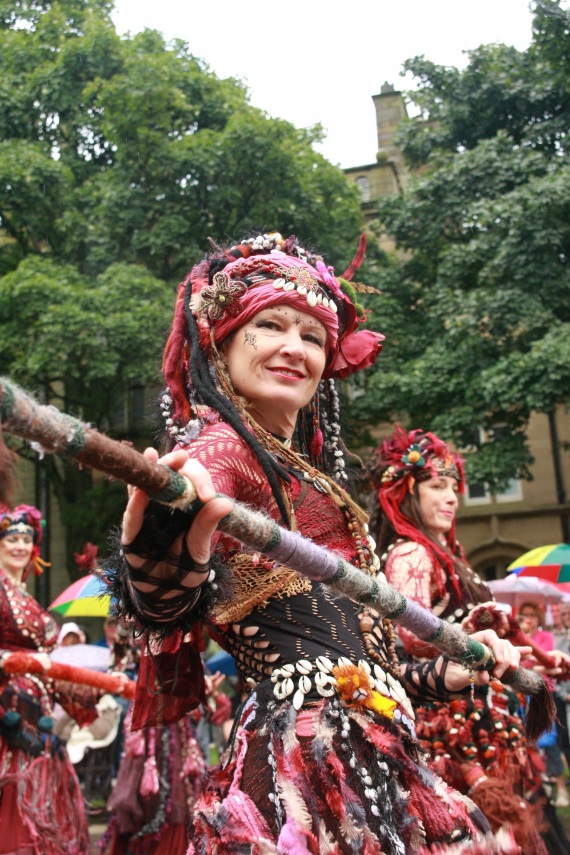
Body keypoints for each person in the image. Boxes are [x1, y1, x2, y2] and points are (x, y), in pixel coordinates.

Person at [109, 231, 527, 854]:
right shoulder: (225, 448)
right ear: (221, 343)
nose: (293, 348)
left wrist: (454, 670)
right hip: (308, 760)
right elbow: (171, 584)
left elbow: (368, 674)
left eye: (312, 337)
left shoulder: (302, 473)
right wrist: (163, 545)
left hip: (372, 745)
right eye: (271, 325)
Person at [367, 427, 570, 854]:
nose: (452, 498)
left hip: (482, 723)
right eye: (437, 487)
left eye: (454, 487)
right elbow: (413, 634)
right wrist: (477, 628)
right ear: (406, 495)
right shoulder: (411, 553)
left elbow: (493, 633)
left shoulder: (444, 554)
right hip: (450, 731)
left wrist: (542, 661)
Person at [0, 504, 96, 855]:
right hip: (7, 712)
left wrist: (84, 690)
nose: (20, 546)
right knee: (16, 799)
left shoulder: (23, 593)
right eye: (11, 538)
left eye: (26, 539)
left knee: (39, 803)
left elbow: (49, 665)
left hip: (37, 710)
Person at [518, 602, 570, 808]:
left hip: (545, 693)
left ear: (539, 617)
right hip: (524, 694)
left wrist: (527, 649)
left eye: (532, 615)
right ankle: (540, 782)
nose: (528, 618)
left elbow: (542, 661)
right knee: (531, 741)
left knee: (551, 741)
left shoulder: (545, 637)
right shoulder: (517, 638)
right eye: (524, 615)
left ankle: (561, 786)